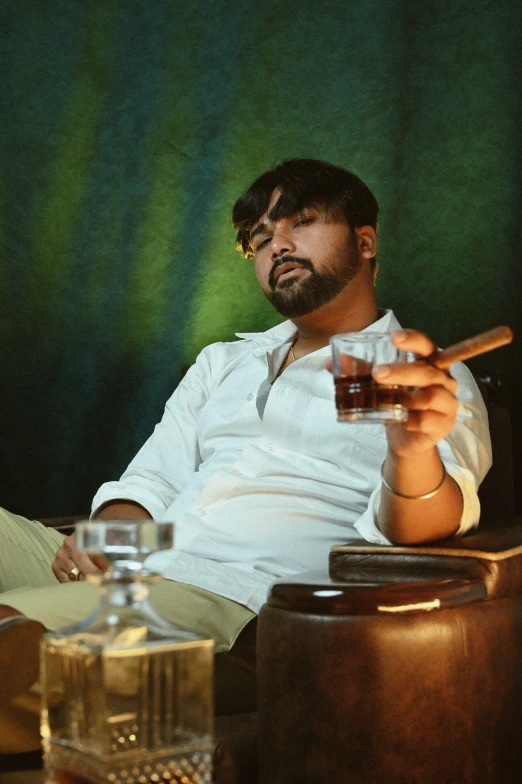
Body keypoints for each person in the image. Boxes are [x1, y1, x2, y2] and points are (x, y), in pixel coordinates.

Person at [0, 158, 491, 754]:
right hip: (147, 561)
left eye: (301, 223)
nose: (276, 247)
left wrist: (411, 451)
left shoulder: (420, 376)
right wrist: (106, 542)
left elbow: (427, 521)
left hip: (239, 596)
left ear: (365, 241)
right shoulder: (222, 363)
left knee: (14, 641)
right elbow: (152, 482)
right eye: (260, 240)